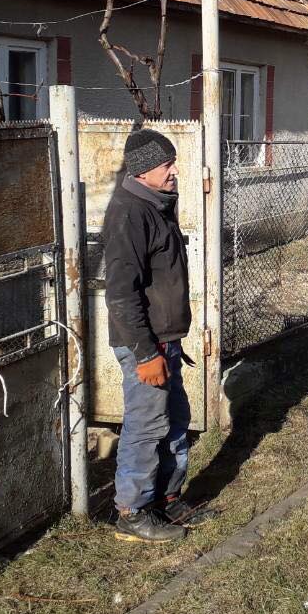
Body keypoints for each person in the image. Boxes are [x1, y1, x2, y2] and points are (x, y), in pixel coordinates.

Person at [103, 128, 199, 543]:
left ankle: (166, 498)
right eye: (167, 164)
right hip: (146, 343)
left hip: (165, 339)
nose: (175, 170)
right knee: (146, 425)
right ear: (144, 171)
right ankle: (131, 510)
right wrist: (145, 353)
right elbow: (121, 293)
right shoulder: (129, 213)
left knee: (175, 419)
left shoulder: (157, 204)